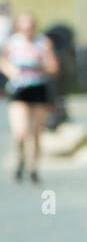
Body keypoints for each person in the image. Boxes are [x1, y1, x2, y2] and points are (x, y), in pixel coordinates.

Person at [0, 12, 59, 183]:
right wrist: (11, 70)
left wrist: (41, 64)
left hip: (38, 90)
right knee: (20, 132)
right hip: (18, 90)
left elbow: (54, 67)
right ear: (19, 27)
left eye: (30, 26)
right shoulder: (13, 42)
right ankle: (20, 161)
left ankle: (34, 168)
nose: (27, 30)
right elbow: (3, 62)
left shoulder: (43, 43)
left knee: (35, 133)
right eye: (24, 26)